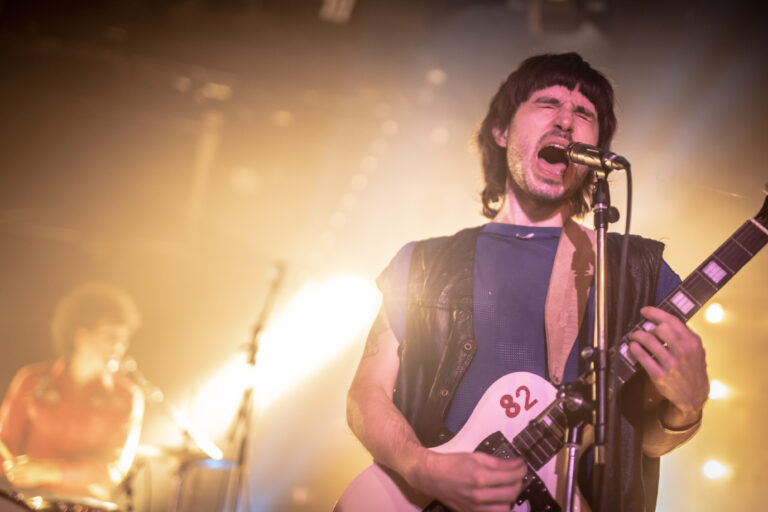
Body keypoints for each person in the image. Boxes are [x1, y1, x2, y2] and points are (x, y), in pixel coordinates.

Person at [345, 53, 709, 512]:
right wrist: (423, 468)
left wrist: (686, 409)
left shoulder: (637, 271)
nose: (566, 121)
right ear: (502, 131)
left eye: (584, 113)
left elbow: (646, 442)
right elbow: (366, 394)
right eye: (548, 102)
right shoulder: (423, 263)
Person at [0, 282, 144, 505]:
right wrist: (12, 468)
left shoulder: (127, 395)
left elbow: (113, 469)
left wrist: (49, 472)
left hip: (87, 505)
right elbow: (4, 446)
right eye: (111, 337)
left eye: (124, 339)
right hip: (26, 502)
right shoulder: (31, 380)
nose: (120, 347)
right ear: (81, 336)